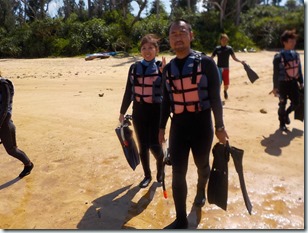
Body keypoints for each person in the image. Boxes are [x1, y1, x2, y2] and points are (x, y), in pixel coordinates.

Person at [158, 20, 229, 229]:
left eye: (182, 32)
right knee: (178, 172)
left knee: (202, 165)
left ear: (191, 35)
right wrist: (161, 127)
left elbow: (215, 98)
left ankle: (200, 191)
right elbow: (166, 100)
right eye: (173, 34)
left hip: (202, 126)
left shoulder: (206, 63)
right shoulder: (168, 69)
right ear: (169, 40)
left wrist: (220, 126)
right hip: (178, 126)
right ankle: (181, 220)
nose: (177, 37)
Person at [119, 34, 166, 188]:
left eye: (151, 47)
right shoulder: (134, 68)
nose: (147, 51)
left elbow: (171, 91)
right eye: (144, 48)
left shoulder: (162, 67)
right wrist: (122, 112)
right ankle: (147, 175)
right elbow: (128, 91)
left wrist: (166, 74)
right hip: (139, 111)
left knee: (155, 146)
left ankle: (161, 167)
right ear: (140, 51)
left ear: (156, 50)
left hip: (156, 112)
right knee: (142, 146)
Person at [0, 75, 34, 178]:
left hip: (4, 123)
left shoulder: (3, 84)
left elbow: (6, 108)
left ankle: (28, 165)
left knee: (11, 150)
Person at [271, 29, 304, 131]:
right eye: (291, 41)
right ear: (284, 42)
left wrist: (301, 82)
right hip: (282, 84)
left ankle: (285, 114)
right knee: (282, 103)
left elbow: (298, 69)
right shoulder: (278, 57)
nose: (293, 43)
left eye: (294, 41)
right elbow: (275, 73)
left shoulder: (296, 55)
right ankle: (282, 123)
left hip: (293, 82)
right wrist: (275, 87)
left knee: (296, 103)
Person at [211, 33, 245, 100]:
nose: (224, 41)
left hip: (226, 68)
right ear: (220, 40)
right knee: (218, 83)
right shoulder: (217, 49)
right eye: (223, 40)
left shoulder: (229, 49)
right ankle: (218, 97)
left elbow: (234, 58)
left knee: (226, 84)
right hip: (218, 69)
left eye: (226, 40)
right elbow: (211, 58)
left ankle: (225, 91)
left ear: (227, 41)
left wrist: (241, 61)